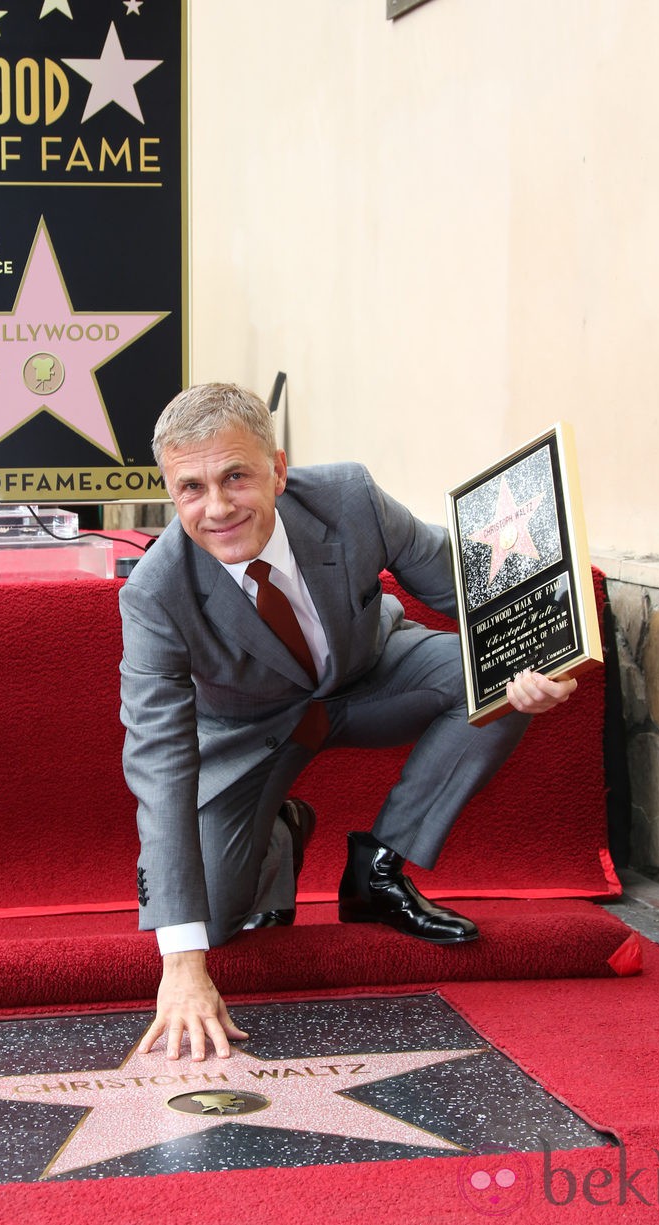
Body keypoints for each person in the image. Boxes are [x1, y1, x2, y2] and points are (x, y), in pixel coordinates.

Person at [119, 383, 577, 1062]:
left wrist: (533, 656)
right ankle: (279, 831)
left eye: (236, 476)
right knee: (211, 923)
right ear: (169, 489)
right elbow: (158, 764)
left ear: (278, 468)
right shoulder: (155, 591)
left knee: (488, 681)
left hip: (368, 676)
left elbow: (462, 578)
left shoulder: (348, 496)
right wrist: (182, 966)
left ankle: (378, 868)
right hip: (250, 734)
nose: (216, 507)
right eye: (191, 487)